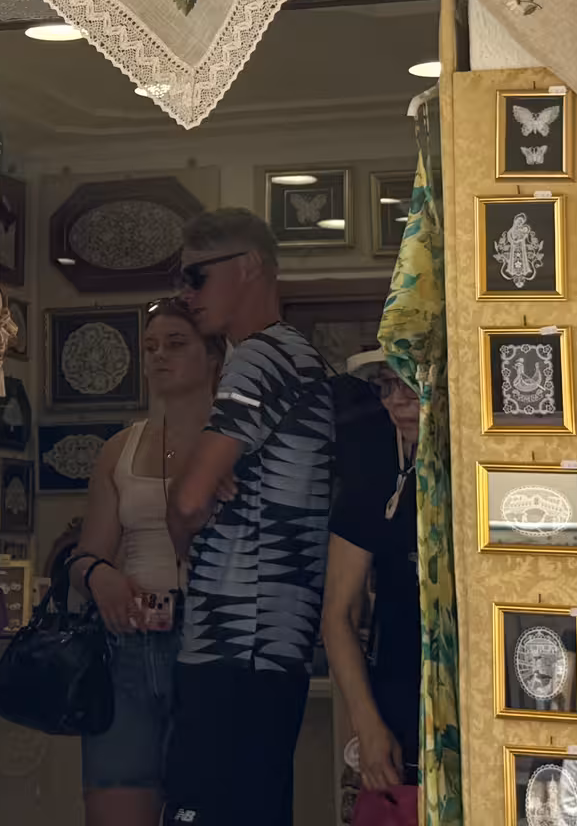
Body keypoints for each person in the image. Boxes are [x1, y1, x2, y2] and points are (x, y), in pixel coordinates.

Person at [164, 208, 336, 826]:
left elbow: (186, 500)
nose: (186, 295)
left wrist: (190, 512)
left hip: (235, 636)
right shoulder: (301, 358)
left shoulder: (259, 358)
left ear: (249, 267)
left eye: (196, 276)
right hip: (275, 638)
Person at [70, 299, 223, 826]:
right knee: (116, 803)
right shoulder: (121, 448)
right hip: (128, 643)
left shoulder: (237, 443)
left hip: (209, 642)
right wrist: (99, 574)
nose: (159, 356)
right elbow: (84, 553)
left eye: (177, 344)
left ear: (212, 356)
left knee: (207, 802)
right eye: (151, 346)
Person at [321, 348, 421, 825]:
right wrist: (366, 720)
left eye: (411, 385)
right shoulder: (375, 473)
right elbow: (338, 615)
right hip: (397, 688)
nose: (396, 402)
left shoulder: (487, 469)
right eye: (386, 386)